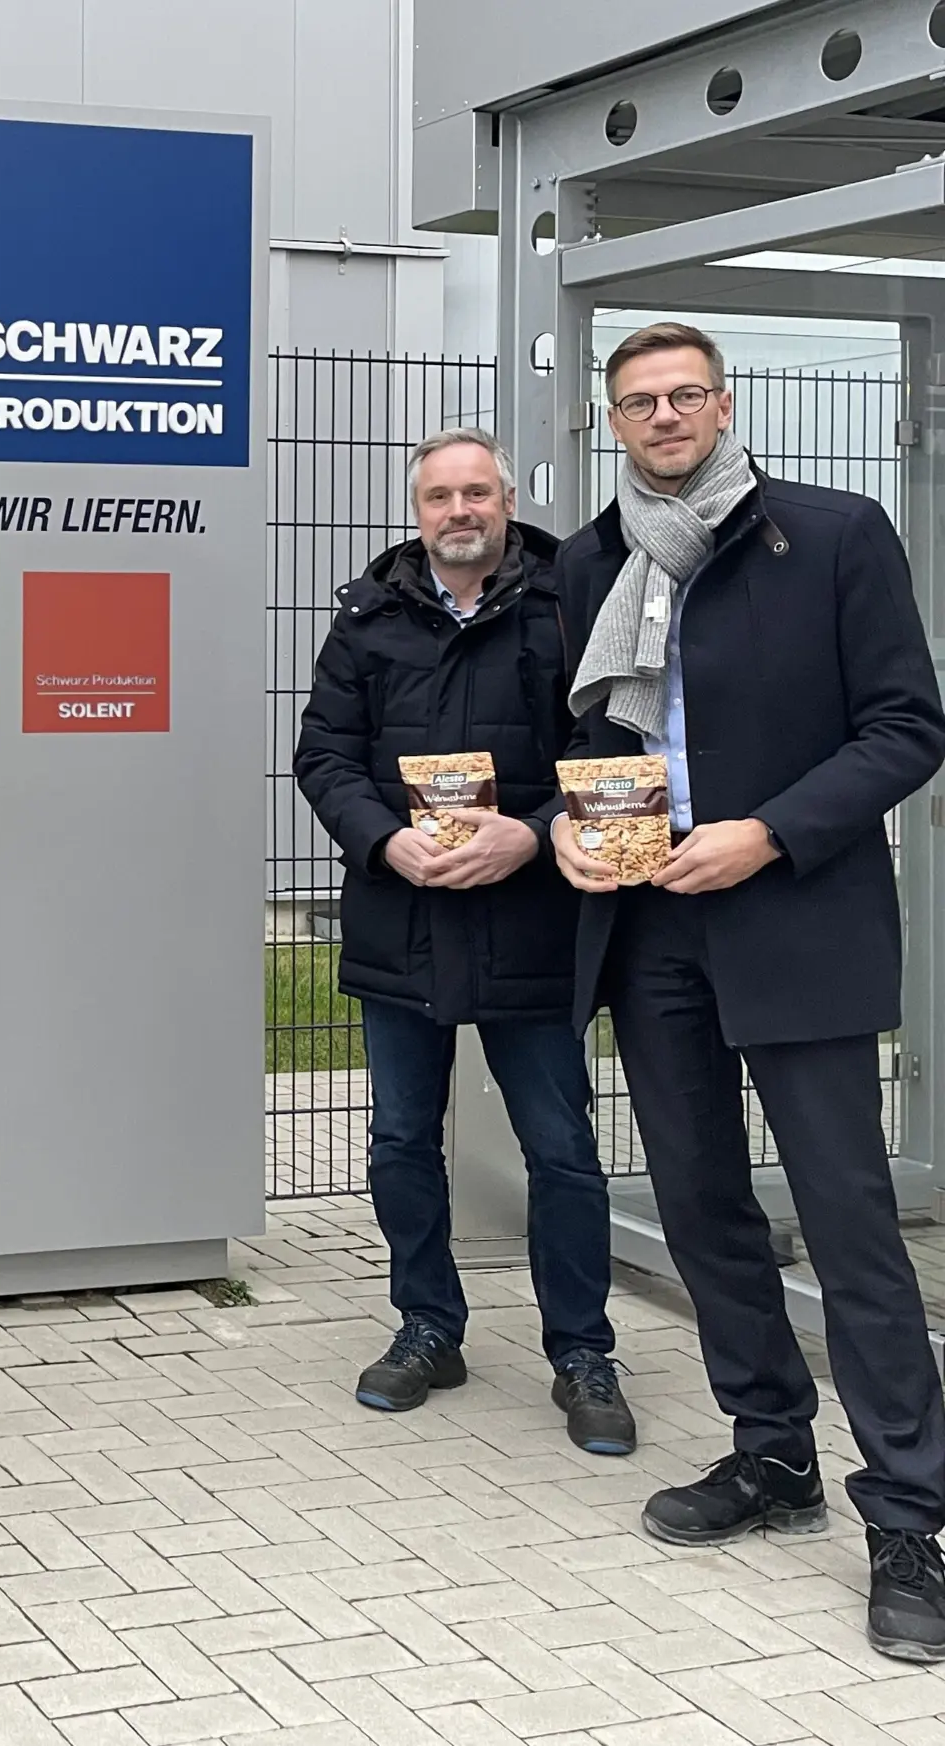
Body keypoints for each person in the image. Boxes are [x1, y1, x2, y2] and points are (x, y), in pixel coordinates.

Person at [548, 320, 945, 1660]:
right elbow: (573, 740)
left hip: (793, 914)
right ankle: (771, 1450)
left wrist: (768, 832)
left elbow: (907, 726)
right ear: (614, 422)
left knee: (846, 1219)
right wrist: (564, 828)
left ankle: (910, 1516)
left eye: (684, 396)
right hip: (649, 927)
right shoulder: (590, 562)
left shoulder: (830, 535)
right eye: (638, 402)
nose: (663, 416)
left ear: (723, 407)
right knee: (704, 1208)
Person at [292, 427, 631, 1454]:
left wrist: (531, 835)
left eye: (476, 492)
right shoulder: (367, 616)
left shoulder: (568, 606)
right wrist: (382, 840)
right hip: (403, 916)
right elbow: (323, 754)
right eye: (439, 496)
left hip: (533, 920)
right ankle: (428, 1327)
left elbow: (610, 746)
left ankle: (583, 1352)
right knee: (400, 1139)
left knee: (560, 1147)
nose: (459, 511)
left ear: (507, 502)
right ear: (418, 512)